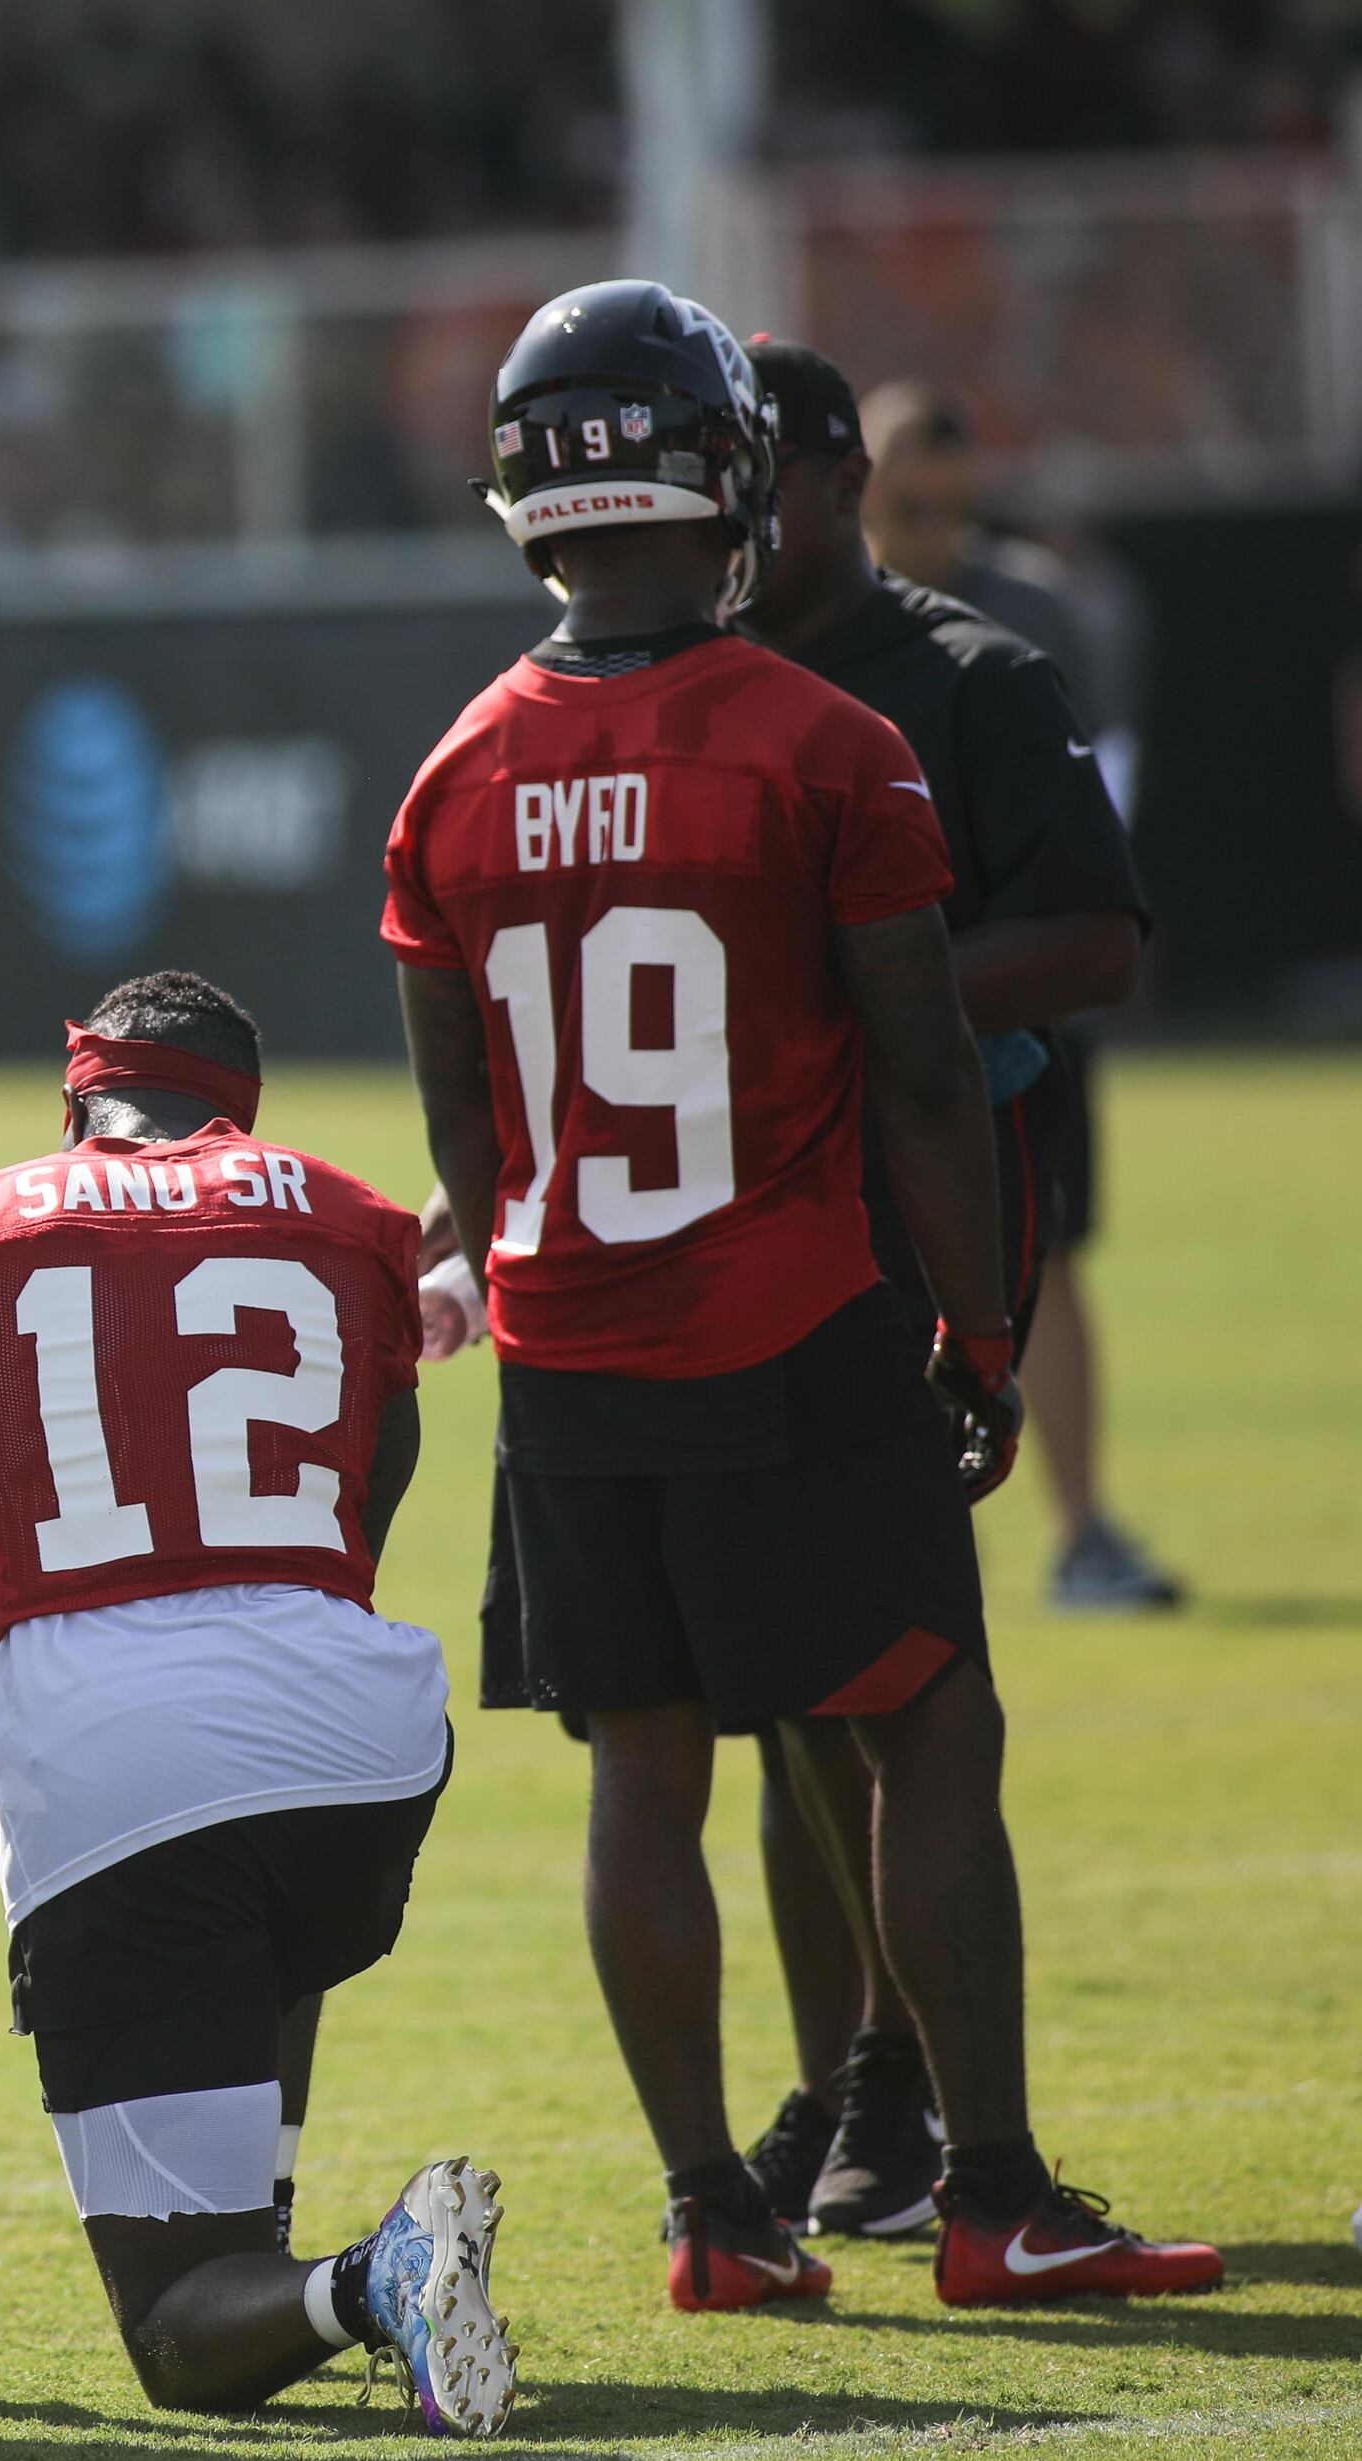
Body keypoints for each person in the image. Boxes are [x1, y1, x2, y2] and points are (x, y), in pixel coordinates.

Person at [387, 280, 1219, 2314]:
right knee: (930, 1719)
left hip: (572, 1340)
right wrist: (984, 1330)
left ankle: (711, 2217)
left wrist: (517, 1258)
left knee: (644, 1769)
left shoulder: (454, 774)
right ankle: (994, 2192)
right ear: (726, 467)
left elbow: (467, 1134)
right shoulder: (819, 739)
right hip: (792, 1312)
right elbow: (929, 1068)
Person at [0, 971, 511, 2436]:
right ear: (235, 1113)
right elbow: (352, 1525)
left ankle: (363, 2276)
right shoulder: (344, 1214)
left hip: (128, 1772)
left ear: (78, 1099)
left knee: (174, 2331)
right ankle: (278, 2252)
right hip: (366, 1753)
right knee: (251, 1843)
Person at [720, 341, 1152, 2242]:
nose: (721, 524)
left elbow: (1095, 937)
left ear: (826, 478)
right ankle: (858, 2095)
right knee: (790, 1699)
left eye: (746, 480)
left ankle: (914, 2108)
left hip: (924, 1218)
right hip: (740, 1230)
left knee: (905, 1689)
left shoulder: (976, 676)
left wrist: (875, 989)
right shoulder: (679, 681)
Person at [859, 381, 1182, 1612]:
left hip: (1006, 1002)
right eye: (906, 500)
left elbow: (1101, 801)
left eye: (949, 501)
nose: (932, 525)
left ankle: (1080, 1525)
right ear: (860, 492)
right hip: (865, 1014)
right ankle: (897, 1553)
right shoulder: (811, 623)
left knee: (1042, 1253)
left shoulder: (1033, 613)